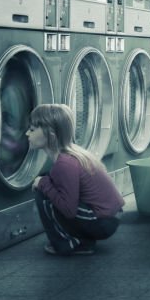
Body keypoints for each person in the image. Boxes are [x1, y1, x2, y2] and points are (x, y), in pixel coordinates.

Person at [27, 104, 124, 256]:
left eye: (32, 130)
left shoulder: (64, 163)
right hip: (110, 217)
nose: (27, 133)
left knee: (43, 192)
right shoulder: (72, 153)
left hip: (103, 222)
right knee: (47, 181)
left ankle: (68, 245)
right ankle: (81, 240)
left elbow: (69, 210)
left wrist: (43, 184)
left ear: (50, 134)